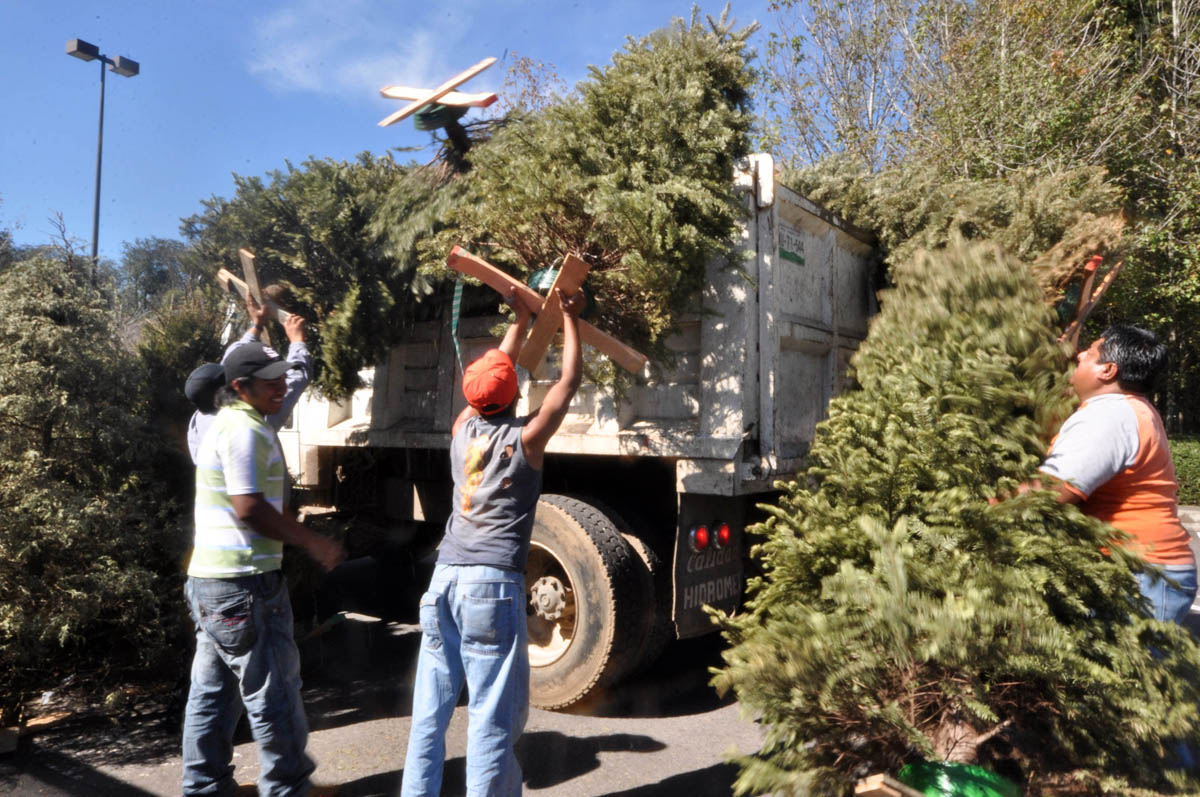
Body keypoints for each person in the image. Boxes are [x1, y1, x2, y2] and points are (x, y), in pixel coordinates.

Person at [400, 287, 586, 796]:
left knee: (429, 712)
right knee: (490, 719)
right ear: (515, 395)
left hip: (443, 582)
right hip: (490, 587)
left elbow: (491, 382)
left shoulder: (462, 428)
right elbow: (568, 382)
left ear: (473, 398)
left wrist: (520, 322)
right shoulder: (525, 441)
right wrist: (571, 319)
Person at [183, 341, 346, 796]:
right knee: (275, 695)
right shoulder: (245, 430)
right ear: (240, 387)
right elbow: (249, 508)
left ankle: (205, 787)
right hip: (245, 585)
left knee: (213, 695)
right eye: (270, 381)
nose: (280, 386)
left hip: (213, 583)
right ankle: (289, 789)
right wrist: (313, 541)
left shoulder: (225, 422)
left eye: (282, 376)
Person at [1038, 324, 1196, 624]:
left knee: (1127, 657)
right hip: (1143, 570)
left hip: (1139, 575)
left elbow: (1052, 492)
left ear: (1108, 370)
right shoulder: (1128, 408)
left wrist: (983, 505)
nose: (1079, 355)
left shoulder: (1108, 415)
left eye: (1089, 353)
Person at [187, 295, 312, 464]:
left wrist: (257, 325)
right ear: (235, 388)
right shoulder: (253, 421)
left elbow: (232, 357)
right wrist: (297, 341)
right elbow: (297, 377)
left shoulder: (200, 418)